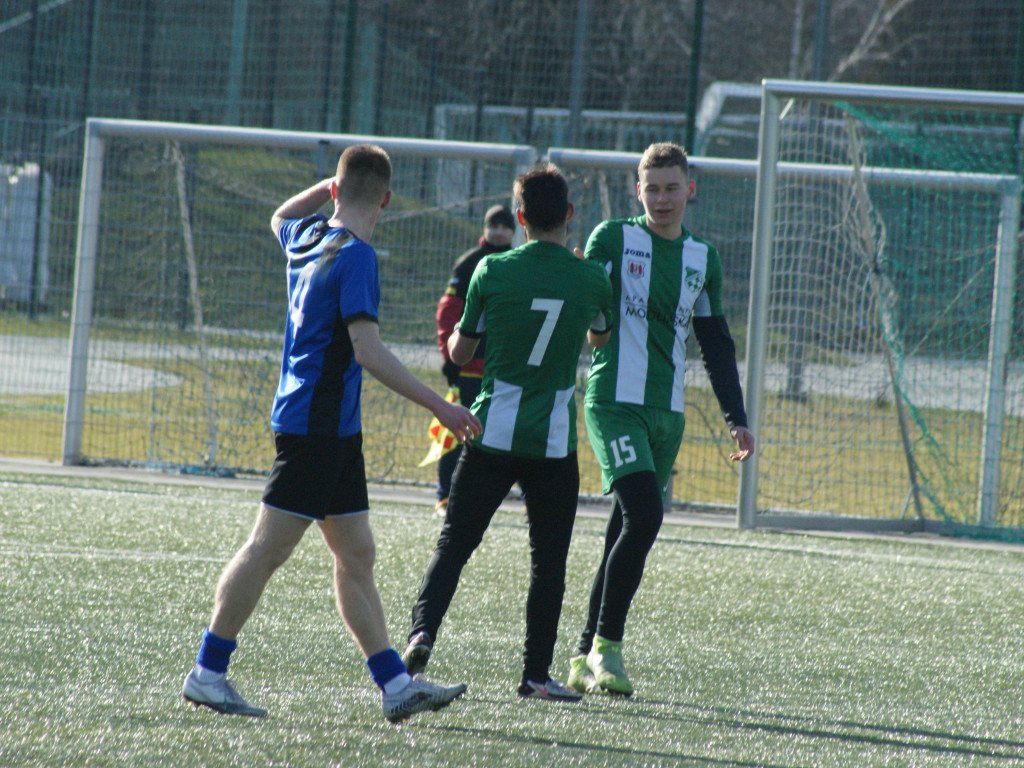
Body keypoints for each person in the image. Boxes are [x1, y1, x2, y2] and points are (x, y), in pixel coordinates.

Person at [181, 144, 482, 723]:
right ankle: (207, 672)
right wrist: (439, 407)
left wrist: (330, 188)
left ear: (337, 189)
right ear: (387, 200)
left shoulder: (310, 235)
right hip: (316, 425)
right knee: (267, 549)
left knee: (357, 555)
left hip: (330, 427)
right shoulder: (357, 256)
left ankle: (396, 684)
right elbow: (368, 353)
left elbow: (278, 216)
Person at [401, 163, 614, 702]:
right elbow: (601, 340)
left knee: (453, 544)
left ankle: (422, 632)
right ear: (569, 215)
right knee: (548, 561)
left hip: (490, 431)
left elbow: (462, 352)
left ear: (519, 218)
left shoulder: (491, 271)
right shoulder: (591, 277)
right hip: (551, 441)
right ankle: (535, 676)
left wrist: (455, 342)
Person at [565, 142, 755, 697]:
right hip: (612, 402)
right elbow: (590, 315)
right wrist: (582, 295)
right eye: (653, 188)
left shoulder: (703, 259)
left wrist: (736, 417)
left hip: (666, 414)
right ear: (637, 189)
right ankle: (608, 648)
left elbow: (715, 344)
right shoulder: (612, 238)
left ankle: (579, 655)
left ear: (690, 189)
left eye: (673, 187)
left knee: (624, 528)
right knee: (646, 517)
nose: (663, 198)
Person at [433, 204, 517, 517]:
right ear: (484, 228)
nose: (498, 231)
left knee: (511, 433)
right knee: (460, 432)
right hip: (469, 370)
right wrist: (450, 357)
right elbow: (448, 312)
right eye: (492, 225)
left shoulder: (518, 263)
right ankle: (445, 497)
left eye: (504, 226)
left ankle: (522, 500)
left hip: (505, 370)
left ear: (513, 230)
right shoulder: (469, 263)